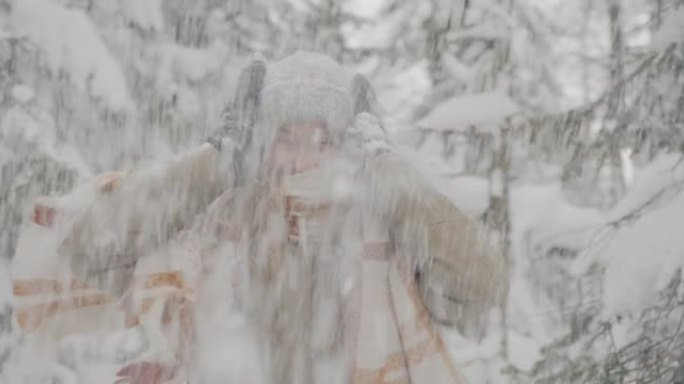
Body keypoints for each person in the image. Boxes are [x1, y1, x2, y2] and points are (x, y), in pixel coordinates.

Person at [11, 52, 507, 383]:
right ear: (262, 145)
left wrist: (390, 171)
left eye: (324, 140)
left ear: (351, 150)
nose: (303, 158)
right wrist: (216, 158)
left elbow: (483, 283)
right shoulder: (224, 217)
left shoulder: (387, 232)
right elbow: (88, 249)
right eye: (287, 138)